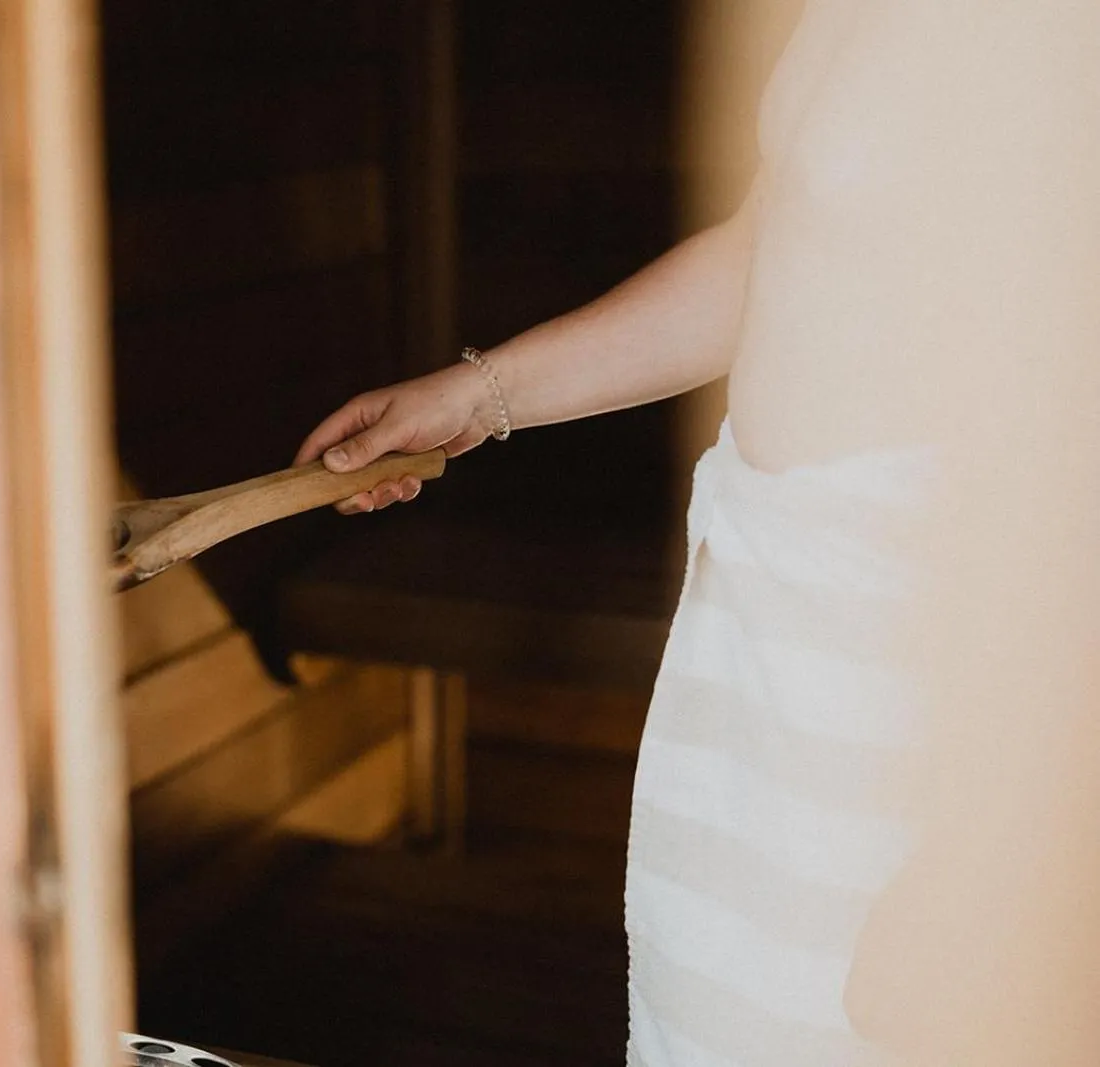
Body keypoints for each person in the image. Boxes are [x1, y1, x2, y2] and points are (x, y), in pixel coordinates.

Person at [296, 3, 1100, 1065]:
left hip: (929, 682)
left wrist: (989, 849)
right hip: (781, 638)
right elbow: (788, 237)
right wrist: (480, 395)